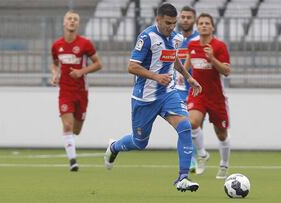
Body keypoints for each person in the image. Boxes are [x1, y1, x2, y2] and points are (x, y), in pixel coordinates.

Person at [104, 3, 202, 192]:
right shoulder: (147, 37)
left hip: (168, 94)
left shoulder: (176, 38)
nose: (171, 27)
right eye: (167, 23)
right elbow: (132, 67)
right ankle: (114, 147)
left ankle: (183, 178)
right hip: (145, 98)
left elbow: (173, 58)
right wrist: (156, 76)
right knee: (140, 143)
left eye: (174, 23)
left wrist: (189, 77)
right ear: (158, 19)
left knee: (185, 126)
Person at [50, 10, 102, 172]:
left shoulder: (85, 44)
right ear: (64, 23)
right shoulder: (56, 45)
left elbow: (98, 64)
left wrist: (81, 72)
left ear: (78, 24)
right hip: (65, 91)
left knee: (76, 130)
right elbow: (55, 63)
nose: (72, 21)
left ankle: (70, 141)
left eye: (75, 19)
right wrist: (55, 74)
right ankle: (73, 161)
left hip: (81, 92)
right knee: (67, 125)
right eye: (69, 19)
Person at [184, 13, 232, 179]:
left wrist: (212, 59)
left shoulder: (219, 46)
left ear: (212, 27)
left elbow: (226, 71)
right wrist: (180, 75)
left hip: (216, 97)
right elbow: (188, 64)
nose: (204, 25)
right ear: (197, 26)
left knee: (221, 134)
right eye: (201, 23)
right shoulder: (192, 44)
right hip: (198, 94)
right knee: (191, 122)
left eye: (207, 23)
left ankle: (224, 165)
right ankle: (202, 154)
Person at [175, 6, 200, 173]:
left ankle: (197, 154)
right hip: (177, 88)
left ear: (194, 20)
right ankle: (190, 159)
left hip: (196, 86)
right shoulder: (173, 38)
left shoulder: (199, 39)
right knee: (184, 125)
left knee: (196, 126)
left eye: (188, 17)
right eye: (182, 17)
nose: (185, 20)